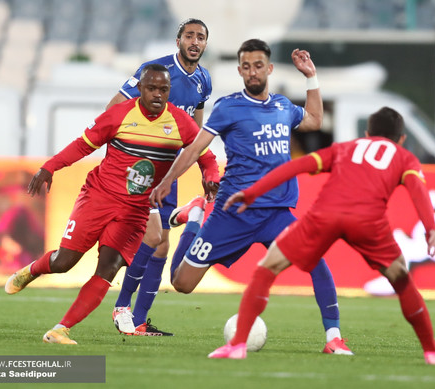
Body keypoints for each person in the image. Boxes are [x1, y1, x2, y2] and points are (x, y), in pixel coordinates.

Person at [207, 107, 435, 364]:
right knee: (400, 277)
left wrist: (253, 192)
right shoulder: (405, 158)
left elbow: (298, 165)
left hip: (325, 214)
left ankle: (237, 345)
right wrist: (430, 227)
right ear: (401, 139)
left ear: (366, 133)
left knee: (268, 267)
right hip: (368, 220)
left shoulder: (345, 148)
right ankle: (431, 350)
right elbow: (418, 190)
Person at [150, 38, 352, 355]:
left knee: (315, 260)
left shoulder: (284, 106)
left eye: (258, 65)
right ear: (241, 70)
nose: (253, 72)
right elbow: (194, 149)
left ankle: (334, 338)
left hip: (275, 212)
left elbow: (313, 120)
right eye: (246, 66)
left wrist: (311, 78)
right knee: (182, 283)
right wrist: (167, 181)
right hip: (233, 212)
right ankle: (196, 216)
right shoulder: (228, 107)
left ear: (269, 68)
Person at [4, 64, 219, 345]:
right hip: (98, 197)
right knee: (64, 262)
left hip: (135, 210)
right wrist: (49, 167)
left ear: (169, 91)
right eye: (151, 88)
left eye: (163, 90)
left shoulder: (179, 122)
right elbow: (83, 145)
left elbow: (206, 156)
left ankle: (60, 329)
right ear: (140, 89)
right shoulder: (119, 114)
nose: (157, 94)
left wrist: (211, 176)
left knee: (109, 268)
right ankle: (31, 270)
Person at [106, 18, 214, 336]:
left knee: (162, 245)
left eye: (201, 37)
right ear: (178, 40)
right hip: (140, 169)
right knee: (152, 239)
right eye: (189, 35)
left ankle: (138, 321)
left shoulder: (203, 81)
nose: (195, 41)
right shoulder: (154, 71)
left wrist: (202, 168)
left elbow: (194, 135)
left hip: (168, 173)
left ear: (206, 44)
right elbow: (114, 108)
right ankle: (122, 306)